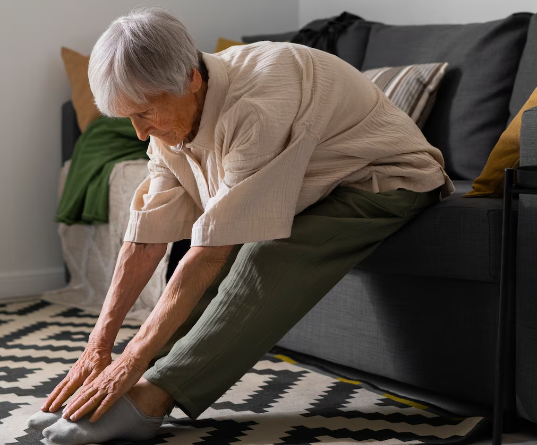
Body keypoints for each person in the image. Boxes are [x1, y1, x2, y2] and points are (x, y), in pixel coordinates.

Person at [28, 6, 455, 444]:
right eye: (128, 119)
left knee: (260, 255)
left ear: (191, 78)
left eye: (146, 114)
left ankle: (148, 401)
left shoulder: (256, 105)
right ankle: (118, 392)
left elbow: (214, 248)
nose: (140, 134)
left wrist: (131, 358)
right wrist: (98, 348)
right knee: (191, 265)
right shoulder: (169, 122)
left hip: (384, 179)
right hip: (313, 184)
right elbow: (144, 238)